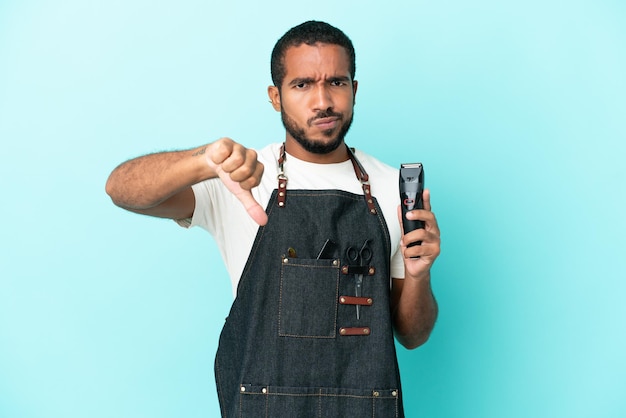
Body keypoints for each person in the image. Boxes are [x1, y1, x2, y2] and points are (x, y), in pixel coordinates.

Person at [106, 20, 440, 418]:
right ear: (275, 96)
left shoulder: (389, 187)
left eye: (336, 82)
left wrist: (419, 275)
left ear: (354, 89)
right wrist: (202, 161)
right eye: (302, 85)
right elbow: (120, 189)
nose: (323, 101)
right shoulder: (241, 177)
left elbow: (413, 335)